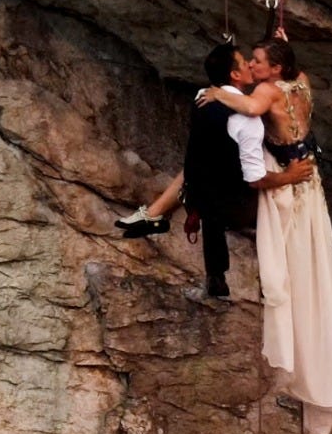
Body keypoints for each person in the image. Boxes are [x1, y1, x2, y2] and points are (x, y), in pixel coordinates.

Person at [197, 32, 332, 434]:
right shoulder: (302, 82)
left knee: (289, 267)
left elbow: (249, 104)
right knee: (312, 264)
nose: (252, 65)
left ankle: (300, 356)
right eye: (250, 60)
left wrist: (217, 93)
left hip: (287, 185)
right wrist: (282, 39)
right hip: (310, 178)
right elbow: (293, 63)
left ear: (274, 69)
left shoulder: (266, 91)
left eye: (258, 60)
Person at [116, 42, 312, 297]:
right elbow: (256, 179)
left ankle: (157, 216)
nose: (250, 64)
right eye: (245, 62)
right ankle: (271, 279)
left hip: (204, 196)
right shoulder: (248, 118)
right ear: (236, 74)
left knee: (207, 162)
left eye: (255, 60)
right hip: (237, 203)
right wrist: (289, 176)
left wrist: (278, 46)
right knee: (279, 204)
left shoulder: (202, 97)